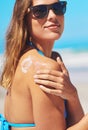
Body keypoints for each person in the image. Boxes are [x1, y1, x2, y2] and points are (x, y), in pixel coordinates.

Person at [0, 0, 88, 130]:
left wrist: (72, 95)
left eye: (58, 7)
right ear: (24, 18)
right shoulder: (43, 67)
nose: (52, 16)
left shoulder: (30, 57)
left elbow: (74, 123)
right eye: (40, 11)